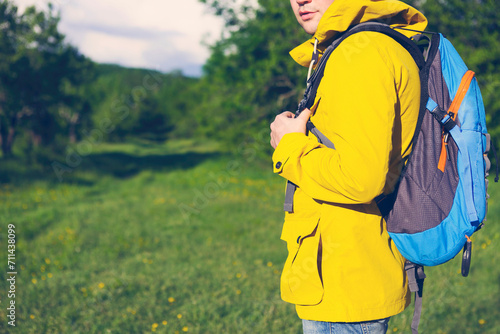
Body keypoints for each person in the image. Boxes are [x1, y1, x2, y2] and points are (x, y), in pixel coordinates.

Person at [269, 0, 428, 333]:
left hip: (344, 278)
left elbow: (359, 179)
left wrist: (290, 145)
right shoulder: (371, 44)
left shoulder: (360, 51)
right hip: (351, 270)